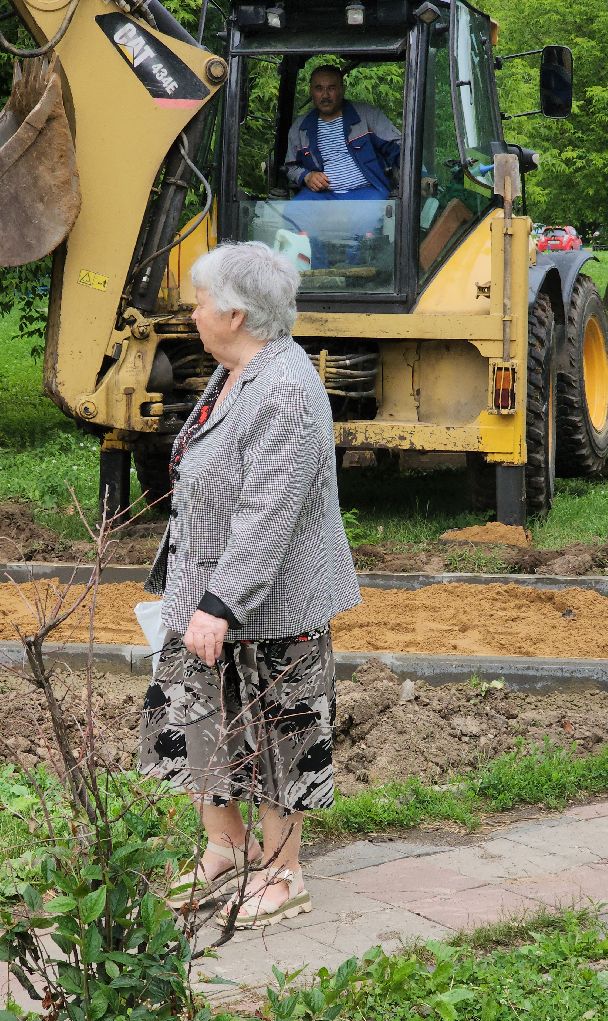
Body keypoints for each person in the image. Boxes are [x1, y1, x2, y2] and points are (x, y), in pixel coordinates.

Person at [140, 241, 361, 930]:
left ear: (235, 314)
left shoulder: (287, 390)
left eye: (200, 302)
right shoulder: (236, 371)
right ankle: (224, 850)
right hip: (204, 590)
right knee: (200, 719)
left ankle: (283, 870)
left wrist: (219, 604)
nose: (193, 313)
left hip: (266, 603)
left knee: (278, 729)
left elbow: (269, 512)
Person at [284, 65, 400, 266]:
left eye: (332, 88)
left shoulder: (367, 116)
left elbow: (398, 149)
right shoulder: (300, 128)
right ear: (311, 91)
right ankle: (318, 273)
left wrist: (416, 177)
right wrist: (307, 176)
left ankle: (353, 276)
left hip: (365, 190)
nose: (325, 95)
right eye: (319, 88)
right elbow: (290, 167)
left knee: (367, 222)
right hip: (324, 195)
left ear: (342, 89)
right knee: (294, 214)